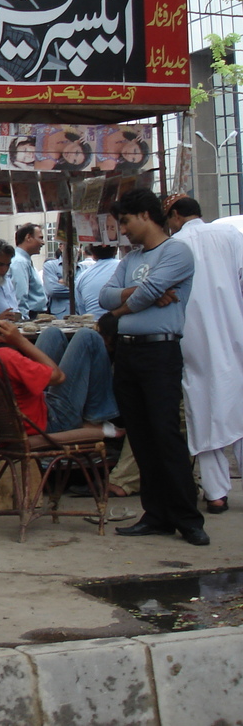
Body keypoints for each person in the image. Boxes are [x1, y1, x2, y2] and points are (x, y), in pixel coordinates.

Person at [100, 189, 208, 546]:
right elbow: (105, 295)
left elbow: (146, 293)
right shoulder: (131, 259)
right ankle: (156, 513)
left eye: (126, 221)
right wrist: (136, 293)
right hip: (129, 356)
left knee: (166, 436)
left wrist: (120, 308)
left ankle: (187, 517)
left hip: (160, 353)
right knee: (142, 437)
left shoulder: (176, 251)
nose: (124, 230)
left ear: (145, 215)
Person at [0, 292, 120, 445]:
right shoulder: (5, 356)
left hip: (22, 418)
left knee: (51, 334)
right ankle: (97, 417)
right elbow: (58, 377)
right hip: (51, 421)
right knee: (87, 336)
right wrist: (20, 341)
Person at [167, 195, 243, 514]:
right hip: (233, 331)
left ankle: (216, 493)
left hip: (193, 338)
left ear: (175, 216)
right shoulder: (231, 237)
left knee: (202, 405)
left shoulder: (174, 246)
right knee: (239, 403)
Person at [10, 223, 47, 318]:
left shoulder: (24, 261)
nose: (43, 242)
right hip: (30, 316)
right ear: (28, 237)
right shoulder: (20, 262)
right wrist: (24, 320)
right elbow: (20, 296)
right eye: (40, 238)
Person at [75, 245, 120, 319]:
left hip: (94, 324)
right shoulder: (125, 268)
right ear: (116, 251)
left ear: (93, 254)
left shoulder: (82, 277)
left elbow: (81, 310)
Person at [42, 251, 71, 317]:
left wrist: (66, 283)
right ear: (61, 246)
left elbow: (88, 290)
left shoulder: (84, 268)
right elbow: (52, 290)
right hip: (61, 317)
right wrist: (80, 288)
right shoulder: (50, 266)